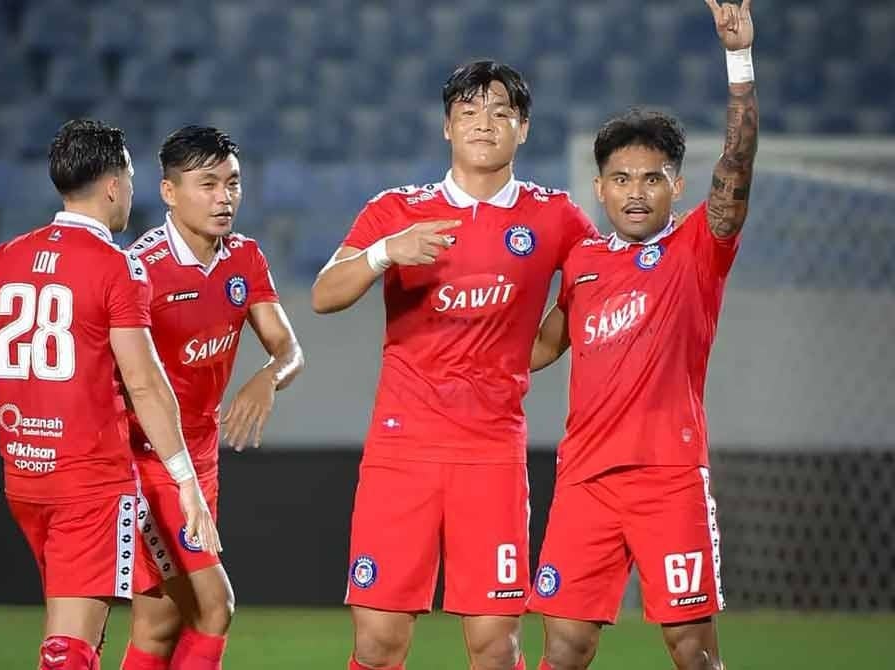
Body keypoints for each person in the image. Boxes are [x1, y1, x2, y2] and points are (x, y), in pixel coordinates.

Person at [311, 60, 596, 670]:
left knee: (496, 646)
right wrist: (388, 252)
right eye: (468, 112)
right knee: (378, 643)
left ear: (524, 128)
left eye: (500, 112)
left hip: (492, 454)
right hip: (402, 452)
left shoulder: (556, 217)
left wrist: (525, 356)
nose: (483, 124)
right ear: (447, 128)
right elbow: (325, 293)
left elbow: (595, 290)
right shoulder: (396, 210)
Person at [527, 2, 758, 669]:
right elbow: (544, 344)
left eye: (652, 178)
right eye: (622, 179)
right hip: (584, 483)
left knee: (691, 649)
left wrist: (738, 62)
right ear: (599, 187)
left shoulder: (698, 247)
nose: (636, 192)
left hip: (669, 479)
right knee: (564, 647)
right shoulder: (583, 262)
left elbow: (738, 163)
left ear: (676, 186)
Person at [0, 119, 220, 670]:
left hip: (25, 476)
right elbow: (145, 384)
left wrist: (56, 374)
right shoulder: (117, 267)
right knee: (68, 650)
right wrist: (185, 480)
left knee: (73, 635)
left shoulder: (5, 258)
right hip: (89, 482)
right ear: (114, 185)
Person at [120, 125, 304, 670]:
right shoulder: (139, 269)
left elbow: (289, 348)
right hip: (147, 461)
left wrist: (269, 375)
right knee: (215, 606)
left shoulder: (245, 258)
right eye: (208, 184)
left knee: (158, 623)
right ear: (169, 192)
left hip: (202, 460)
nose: (224, 198)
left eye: (233, 183)